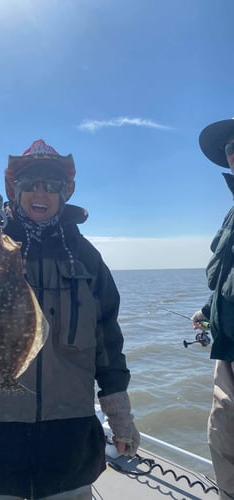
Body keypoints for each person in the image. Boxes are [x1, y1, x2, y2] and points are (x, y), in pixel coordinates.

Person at [0, 130, 140, 499]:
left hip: (68, 449)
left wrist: (119, 413)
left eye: (52, 183)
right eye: (31, 182)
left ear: (66, 192)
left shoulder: (87, 259)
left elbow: (107, 340)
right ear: (14, 190)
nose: (41, 191)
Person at [192, 118, 234, 500]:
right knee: (222, 441)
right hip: (228, 354)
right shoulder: (231, 214)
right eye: (231, 150)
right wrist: (208, 310)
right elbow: (226, 275)